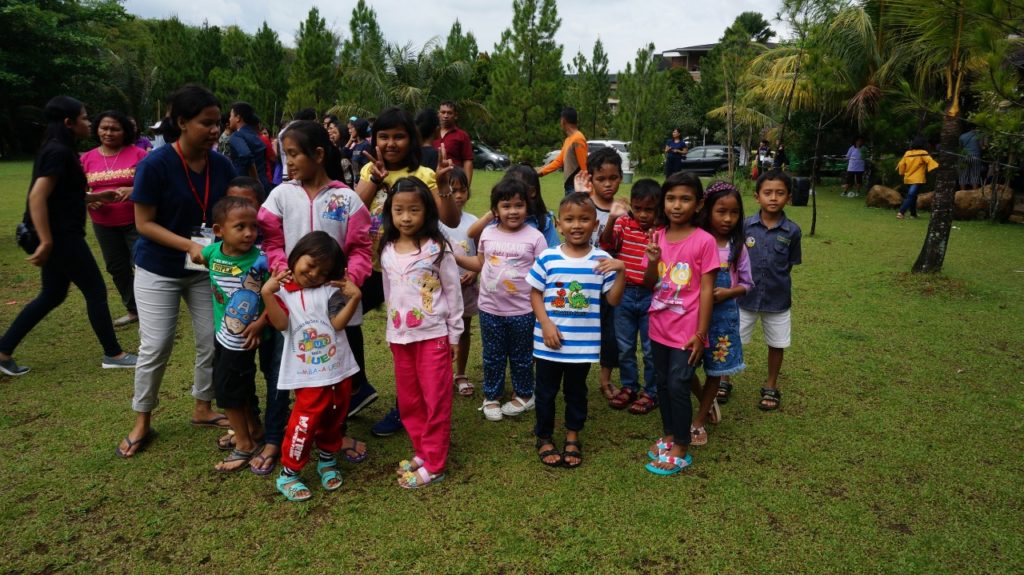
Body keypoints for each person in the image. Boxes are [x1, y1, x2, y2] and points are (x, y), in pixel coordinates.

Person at [115, 84, 235, 458]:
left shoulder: (222, 165)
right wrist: (188, 245)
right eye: (206, 123)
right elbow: (144, 223)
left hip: (203, 268)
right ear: (182, 122)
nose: (215, 130)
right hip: (158, 268)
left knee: (213, 337)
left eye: (218, 123)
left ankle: (202, 407)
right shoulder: (155, 164)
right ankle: (142, 420)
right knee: (156, 345)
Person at [257, 120, 373, 471]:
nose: (288, 162)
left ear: (318, 154)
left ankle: (333, 439)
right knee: (283, 369)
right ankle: (275, 437)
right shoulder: (280, 196)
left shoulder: (347, 198)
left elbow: (360, 247)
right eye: (285, 154)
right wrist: (283, 271)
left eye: (294, 154)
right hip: (291, 302)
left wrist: (349, 280)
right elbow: (271, 241)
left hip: (335, 304)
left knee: (336, 375)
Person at [0, 96, 138, 377]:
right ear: (68, 122)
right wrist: (46, 240)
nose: (89, 123)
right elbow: (37, 196)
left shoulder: (58, 149)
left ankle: (3, 351)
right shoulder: (59, 152)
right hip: (63, 237)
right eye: (85, 118)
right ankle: (114, 354)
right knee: (95, 291)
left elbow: (62, 194)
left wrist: (96, 196)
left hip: (62, 235)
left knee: (52, 294)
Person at [354, 107, 459, 437]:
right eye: (383, 136)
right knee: (343, 315)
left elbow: (451, 219)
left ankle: (406, 406)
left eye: (398, 136)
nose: (390, 143)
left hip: (412, 271)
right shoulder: (370, 168)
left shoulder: (424, 174)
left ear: (411, 139)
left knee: (412, 339)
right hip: (374, 266)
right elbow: (353, 211)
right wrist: (375, 179)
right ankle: (358, 387)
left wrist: (443, 184)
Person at [260, 232, 363, 502]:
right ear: (296, 256)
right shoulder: (281, 291)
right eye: (311, 264)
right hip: (307, 375)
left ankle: (327, 461)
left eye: (324, 271)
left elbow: (337, 324)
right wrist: (267, 293)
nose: (315, 273)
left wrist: (354, 298)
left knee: (334, 419)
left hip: (338, 371)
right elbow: (281, 324)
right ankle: (289, 473)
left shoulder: (330, 291)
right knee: (303, 425)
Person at [528, 192, 625, 468]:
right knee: (545, 393)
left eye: (584, 219)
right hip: (548, 343)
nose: (577, 225)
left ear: (595, 225)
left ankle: (573, 436)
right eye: (569, 219)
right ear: (559, 224)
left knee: (576, 393)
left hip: (581, 347)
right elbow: (535, 293)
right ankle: (544, 437)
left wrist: (622, 271)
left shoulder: (602, 260)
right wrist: (546, 324)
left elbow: (613, 300)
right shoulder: (548, 258)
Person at [379, 177, 463, 488]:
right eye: (399, 210)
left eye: (414, 210)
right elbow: (389, 292)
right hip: (400, 338)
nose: (405, 217)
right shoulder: (387, 249)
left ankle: (436, 464)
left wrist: (454, 334)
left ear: (426, 211)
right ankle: (423, 451)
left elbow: (452, 292)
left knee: (435, 400)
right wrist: (392, 328)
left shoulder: (437, 249)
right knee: (410, 401)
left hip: (433, 337)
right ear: (390, 211)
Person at [642, 171, 719, 475]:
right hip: (658, 326)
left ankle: (682, 446)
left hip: (688, 331)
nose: (677, 205)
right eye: (671, 198)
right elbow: (650, 282)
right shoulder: (657, 236)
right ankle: (670, 434)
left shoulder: (705, 241)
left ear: (698, 204)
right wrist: (652, 261)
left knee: (678, 383)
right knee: (662, 383)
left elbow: (707, 290)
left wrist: (701, 334)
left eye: (685, 199)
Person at [455, 178, 546, 422]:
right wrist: (456, 258)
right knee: (492, 355)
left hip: (523, 310)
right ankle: (491, 396)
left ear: (527, 207)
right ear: (495, 209)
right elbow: (480, 263)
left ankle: (525, 394)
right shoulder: (487, 233)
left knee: (522, 356)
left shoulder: (535, 237)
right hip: (490, 309)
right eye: (506, 206)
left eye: (518, 205)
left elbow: (543, 275)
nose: (513, 211)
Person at [201, 196, 269, 471]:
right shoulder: (212, 253)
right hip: (223, 337)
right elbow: (199, 256)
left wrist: (262, 322)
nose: (249, 233)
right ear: (219, 230)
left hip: (243, 341)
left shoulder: (262, 260)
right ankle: (253, 431)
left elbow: (280, 294)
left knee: (229, 392)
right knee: (237, 389)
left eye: (253, 226)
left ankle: (244, 445)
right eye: (240, 227)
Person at [734, 170, 802, 411]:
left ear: (788, 198)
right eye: (768, 193)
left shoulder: (792, 231)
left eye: (780, 193)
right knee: (732, 339)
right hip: (744, 297)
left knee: (777, 343)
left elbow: (789, 264)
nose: (773, 198)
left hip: (777, 300)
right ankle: (723, 379)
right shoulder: (744, 226)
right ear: (757, 196)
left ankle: (771, 384)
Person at [691, 182, 752, 445]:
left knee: (716, 370)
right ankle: (706, 399)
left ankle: (699, 421)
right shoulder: (694, 240)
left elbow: (747, 283)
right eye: (721, 211)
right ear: (707, 210)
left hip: (723, 319)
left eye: (734, 212)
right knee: (684, 367)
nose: (728, 218)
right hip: (692, 317)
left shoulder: (737, 247)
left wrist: (728, 292)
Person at [80, 109, 149, 327]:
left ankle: (151, 308)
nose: (108, 133)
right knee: (116, 267)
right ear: (97, 129)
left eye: (114, 129)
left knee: (142, 265)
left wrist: (134, 189)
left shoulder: (139, 155)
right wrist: (90, 199)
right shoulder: (86, 158)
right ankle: (133, 309)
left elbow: (157, 185)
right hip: (103, 224)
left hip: (137, 221)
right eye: (104, 128)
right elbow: (75, 191)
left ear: (125, 131)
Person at [599, 178, 660, 413]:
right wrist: (612, 218)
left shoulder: (661, 231)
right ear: (632, 205)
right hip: (624, 293)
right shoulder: (624, 223)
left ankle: (651, 391)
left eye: (649, 209)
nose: (643, 214)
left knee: (650, 349)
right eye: (638, 208)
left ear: (658, 208)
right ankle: (629, 386)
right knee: (624, 346)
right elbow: (607, 244)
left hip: (651, 295)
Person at [578, 147, 622, 402]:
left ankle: (605, 380)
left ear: (621, 177)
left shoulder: (623, 209)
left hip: (609, 283)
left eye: (613, 178)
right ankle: (575, 375)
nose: (607, 184)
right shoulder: (583, 204)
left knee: (610, 332)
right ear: (591, 179)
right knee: (579, 326)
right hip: (582, 282)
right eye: (601, 178)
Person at [439, 167, 479, 397]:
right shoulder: (435, 222)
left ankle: (460, 373)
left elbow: (481, 254)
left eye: (462, 190)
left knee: (463, 330)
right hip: (439, 290)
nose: (458, 195)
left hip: (466, 288)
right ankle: (441, 374)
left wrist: (473, 273)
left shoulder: (473, 222)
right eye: (452, 190)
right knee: (439, 332)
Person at [466, 164, 561, 248]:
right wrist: (490, 215)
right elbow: (471, 234)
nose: (513, 211)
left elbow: (553, 251)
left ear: (532, 192)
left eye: (519, 187)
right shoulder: (497, 218)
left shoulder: (542, 222)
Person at [538, 107, 588, 194]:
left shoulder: (578, 139)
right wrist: (541, 172)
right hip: (569, 187)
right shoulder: (568, 140)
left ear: (563, 120)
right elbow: (559, 161)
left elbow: (584, 168)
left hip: (576, 188)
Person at [227, 102, 270, 194]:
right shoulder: (256, 136)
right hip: (264, 184)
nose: (229, 119)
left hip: (246, 188)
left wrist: (256, 180)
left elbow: (245, 155)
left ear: (238, 118)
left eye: (231, 116)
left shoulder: (236, 136)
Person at [896, 137, 939, 220]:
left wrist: (901, 173)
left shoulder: (908, 153)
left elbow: (901, 164)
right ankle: (901, 212)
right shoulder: (923, 153)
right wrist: (938, 166)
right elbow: (930, 161)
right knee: (911, 196)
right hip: (917, 179)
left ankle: (913, 214)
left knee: (913, 196)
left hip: (907, 178)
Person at [433, 100, 473, 184]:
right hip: (432, 181)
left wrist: (466, 185)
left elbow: (467, 161)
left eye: (449, 113)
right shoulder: (431, 134)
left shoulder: (462, 136)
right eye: (443, 112)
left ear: (455, 115)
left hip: (454, 182)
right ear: (438, 114)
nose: (446, 116)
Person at [958, 124, 984, 190]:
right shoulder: (979, 135)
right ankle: (974, 192)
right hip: (975, 156)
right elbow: (982, 147)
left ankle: (962, 192)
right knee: (975, 175)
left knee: (963, 175)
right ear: (976, 128)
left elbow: (960, 148)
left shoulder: (962, 136)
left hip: (964, 156)